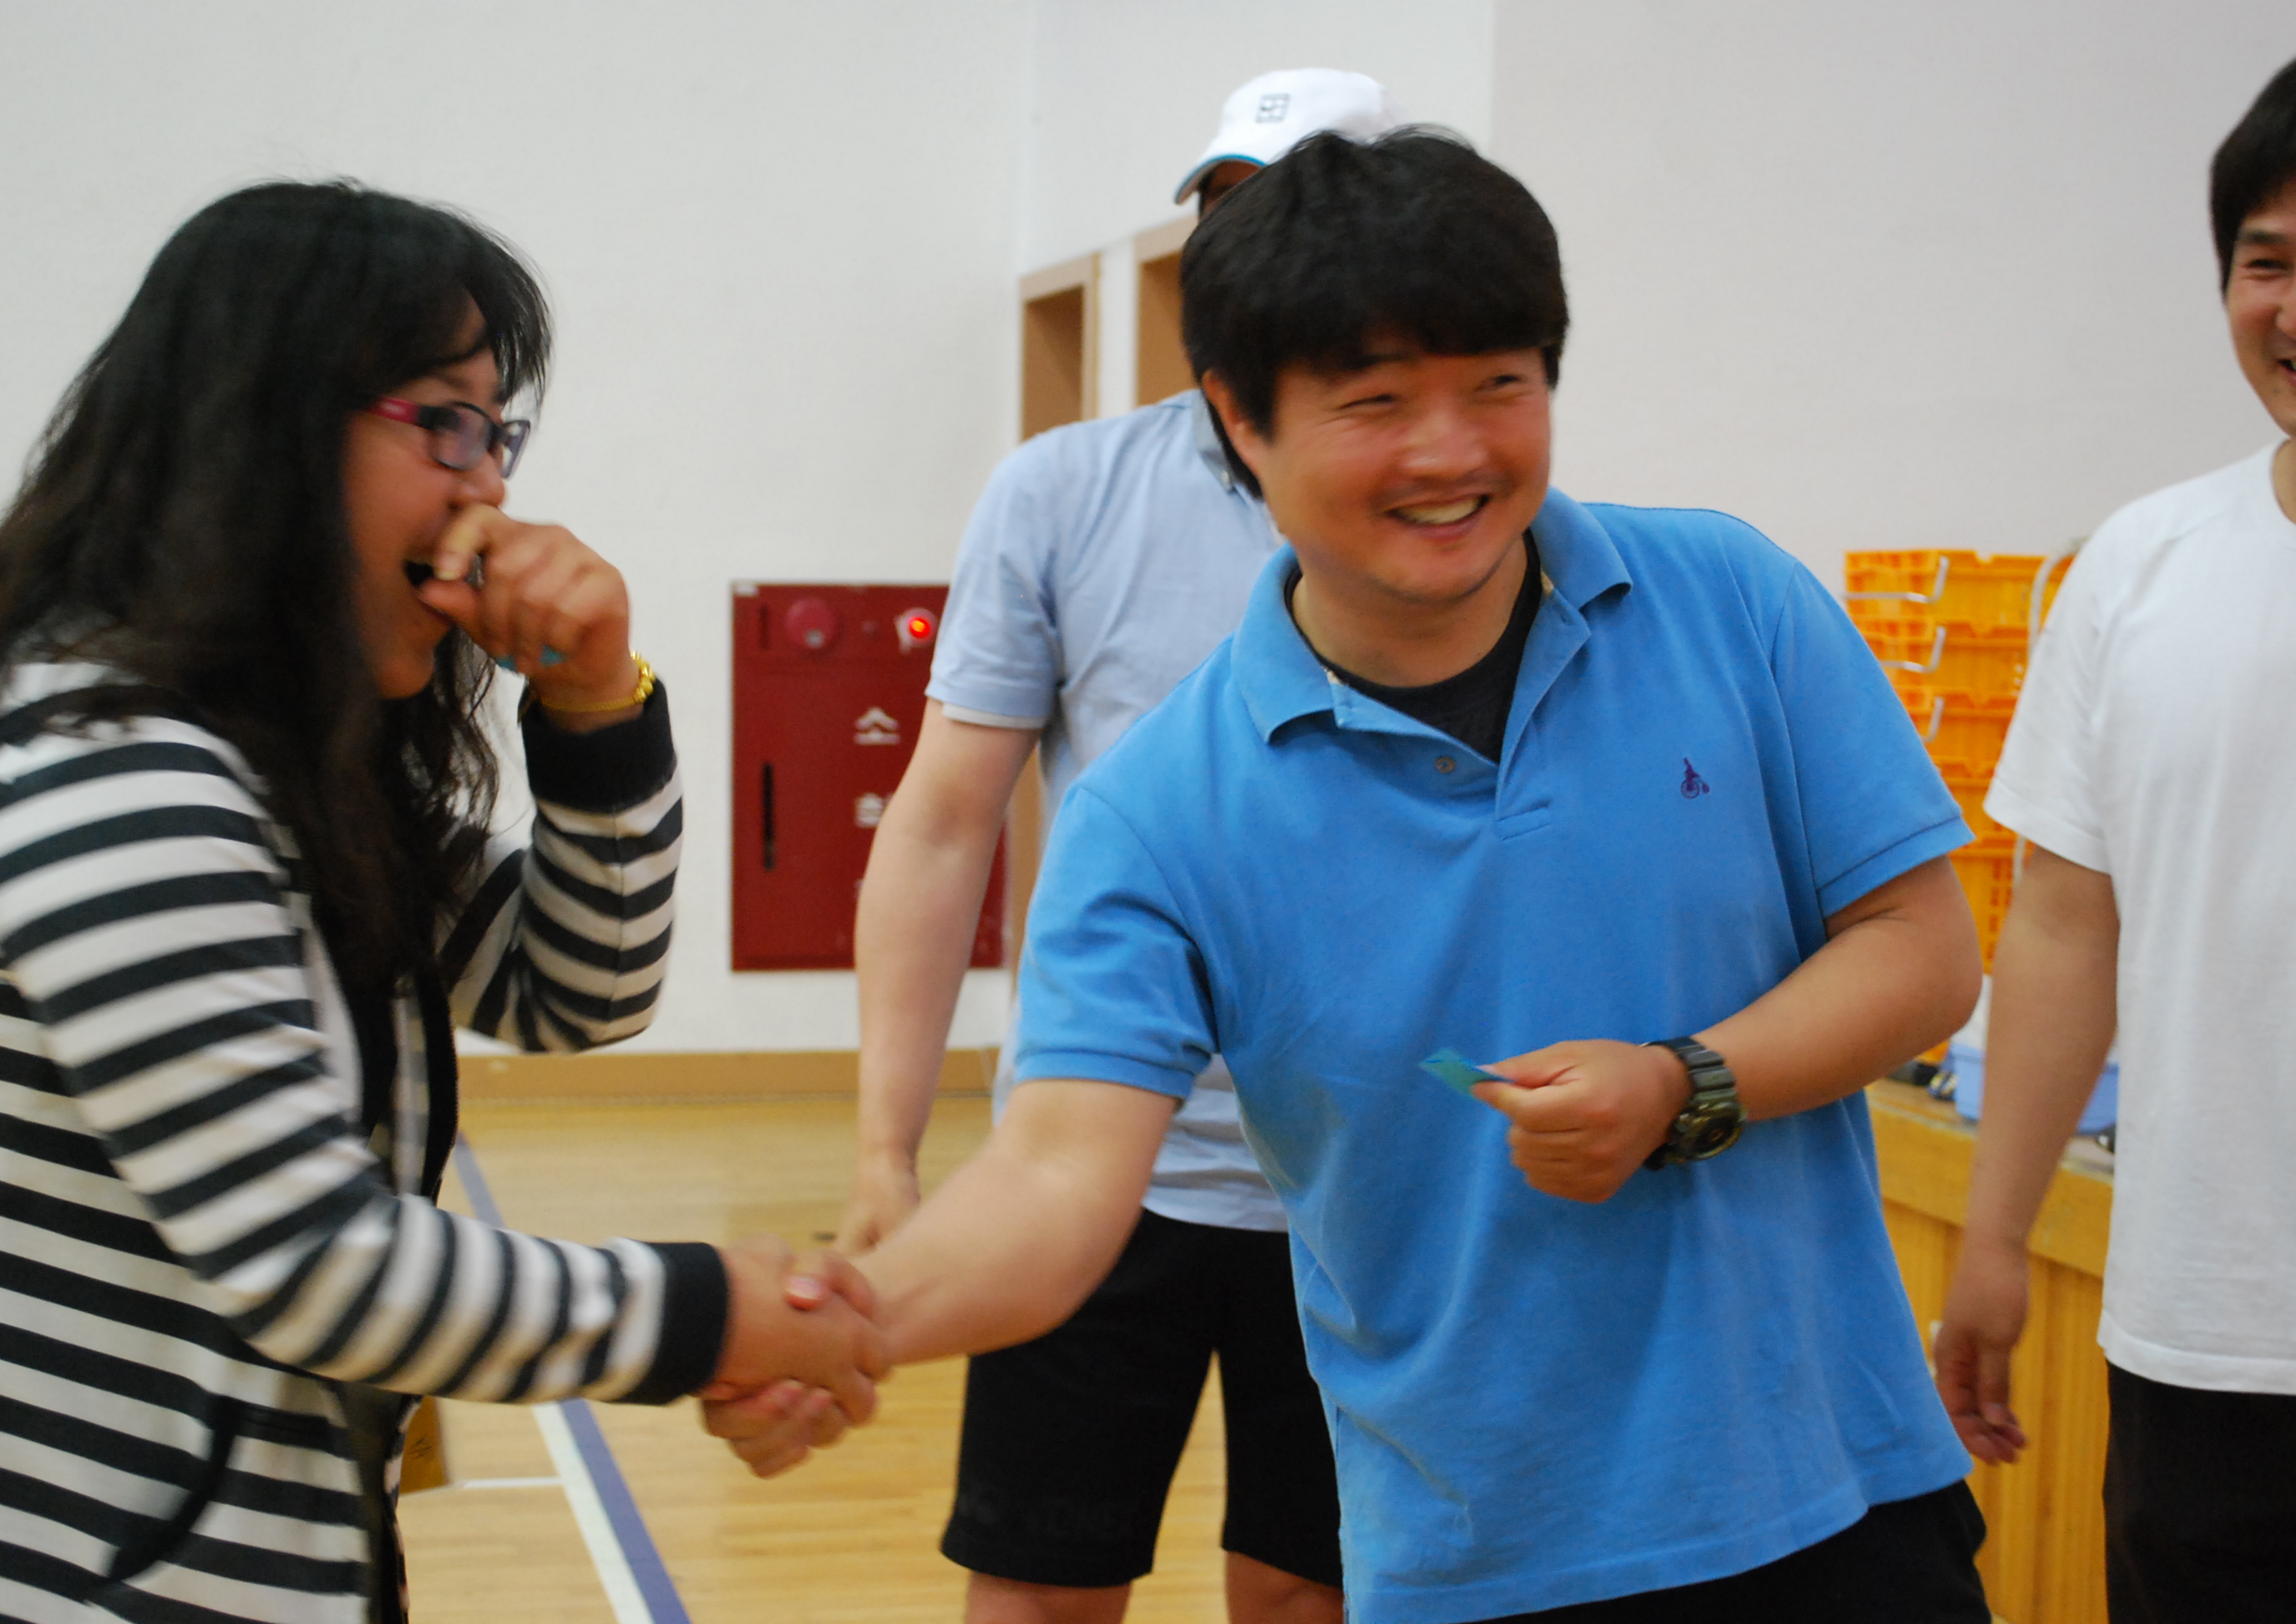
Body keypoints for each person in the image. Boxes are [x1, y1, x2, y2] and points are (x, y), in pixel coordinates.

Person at [717, 130, 1992, 1621]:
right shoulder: (1162, 813)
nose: (1450, 454)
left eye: (1499, 385)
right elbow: (1060, 1174)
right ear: (1239, 420)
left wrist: (1683, 1084)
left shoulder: (1730, 601)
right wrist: (854, 1317)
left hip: (1844, 1497)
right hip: (1487, 1555)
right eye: (1375, 402)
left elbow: (1922, 948)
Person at [0, 180, 878, 1623]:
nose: (490, 490)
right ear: (266, 429)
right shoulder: (118, 777)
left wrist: (597, 701)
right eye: (447, 425)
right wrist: (712, 1314)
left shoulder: (262, 763)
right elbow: (318, 1264)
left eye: (499, 434)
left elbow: (577, 991)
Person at [842, 69, 1403, 1624]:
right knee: (1039, 1590)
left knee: (1307, 1594)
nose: (1252, 256)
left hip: (1359, 1184)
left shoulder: (1447, 514)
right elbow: (942, 822)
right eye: (1225, 214)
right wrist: (887, 1151)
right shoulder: (1064, 492)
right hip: (1090, 1160)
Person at [1933, 56, 2296, 1624]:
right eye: (2268, 262)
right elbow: (2066, 927)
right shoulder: (2140, 566)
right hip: (2205, 1330)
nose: (2292, 307)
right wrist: (1994, 1237)